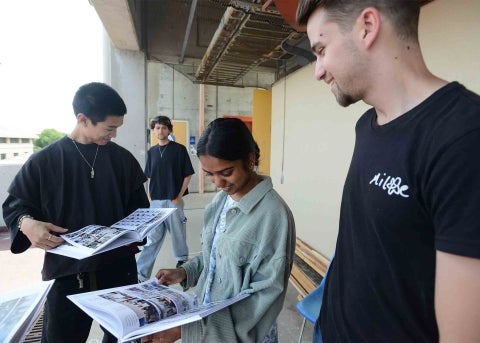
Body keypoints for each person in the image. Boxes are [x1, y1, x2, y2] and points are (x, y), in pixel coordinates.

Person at [296, 1, 480, 342]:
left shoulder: (465, 138)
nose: (318, 70)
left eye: (321, 50)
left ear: (367, 26)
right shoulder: (367, 125)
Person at [2, 82, 150, 342]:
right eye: (109, 128)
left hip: (118, 270)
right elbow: (15, 207)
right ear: (83, 119)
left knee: (124, 337)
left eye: (117, 128)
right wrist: (27, 223)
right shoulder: (44, 161)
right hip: (67, 274)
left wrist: (142, 227)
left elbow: (140, 210)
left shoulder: (123, 160)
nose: (113, 135)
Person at [145, 118, 296, 343]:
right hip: (206, 321)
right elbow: (213, 257)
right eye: (210, 174)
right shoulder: (220, 202)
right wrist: (186, 272)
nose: (218, 183)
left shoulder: (273, 215)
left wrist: (187, 330)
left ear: (250, 160)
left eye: (226, 172)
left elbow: (263, 298)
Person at [136, 115, 195, 282]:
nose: (160, 130)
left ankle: (182, 262)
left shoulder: (179, 149)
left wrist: (178, 195)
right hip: (155, 202)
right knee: (152, 238)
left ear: (169, 130)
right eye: (157, 128)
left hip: (173, 200)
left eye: (163, 127)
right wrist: (149, 197)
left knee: (177, 234)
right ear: (153, 130)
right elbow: (149, 177)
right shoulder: (152, 152)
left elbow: (188, 174)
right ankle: (141, 274)